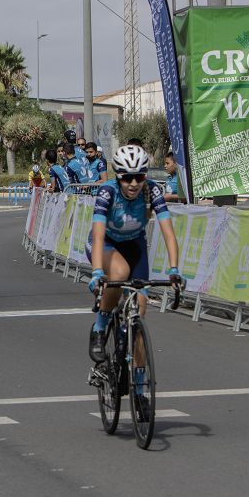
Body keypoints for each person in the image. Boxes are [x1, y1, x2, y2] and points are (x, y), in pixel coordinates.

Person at [87, 145, 182, 364]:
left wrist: (174, 269)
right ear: (117, 176)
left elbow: (168, 233)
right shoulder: (107, 192)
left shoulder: (151, 190)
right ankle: (100, 328)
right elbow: (99, 235)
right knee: (119, 274)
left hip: (134, 244)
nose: (133, 184)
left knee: (139, 312)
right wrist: (97, 272)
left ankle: (139, 385)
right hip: (106, 243)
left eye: (139, 177)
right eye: (126, 178)